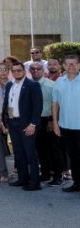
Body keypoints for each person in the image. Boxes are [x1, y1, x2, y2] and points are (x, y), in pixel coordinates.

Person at [2, 61, 42, 191]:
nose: (16, 73)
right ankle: (22, 178)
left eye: (19, 70)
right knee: (18, 153)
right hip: (13, 123)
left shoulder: (32, 85)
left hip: (26, 124)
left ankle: (35, 182)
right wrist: (5, 121)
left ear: (24, 71)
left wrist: (33, 124)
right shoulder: (9, 85)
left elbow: (38, 106)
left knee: (30, 153)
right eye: (13, 71)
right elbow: (7, 103)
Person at [29, 62, 64, 186]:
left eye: (38, 68)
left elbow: (57, 104)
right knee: (40, 149)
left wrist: (52, 120)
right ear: (30, 71)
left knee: (54, 149)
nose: (35, 71)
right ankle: (45, 173)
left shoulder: (51, 85)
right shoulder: (29, 85)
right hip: (35, 121)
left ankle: (58, 175)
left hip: (48, 120)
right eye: (32, 69)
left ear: (43, 70)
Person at [51, 53, 80, 193]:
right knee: (73, 156)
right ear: (64, 66)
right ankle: (77, 183)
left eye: (74, 63)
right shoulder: (59, 82)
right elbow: (55, 103)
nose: (71, 66)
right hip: (65, 126)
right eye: (68, 64)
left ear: (79, 65)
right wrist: (55, 123)